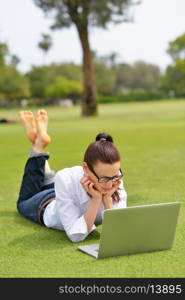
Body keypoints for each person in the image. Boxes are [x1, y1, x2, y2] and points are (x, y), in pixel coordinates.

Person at [17, 110, 127, 243]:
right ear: (85, 168)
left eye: (114, 177)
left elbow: (119, 228)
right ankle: (39, 147)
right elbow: (75, 235)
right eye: (103, 179)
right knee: (23, 202)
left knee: (49, 180)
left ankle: (38, 143)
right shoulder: (65, 177)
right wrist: (96, 199)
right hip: (45, 204)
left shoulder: (114, 179)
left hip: (62, 193)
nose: (109, 185)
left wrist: (107, 199)